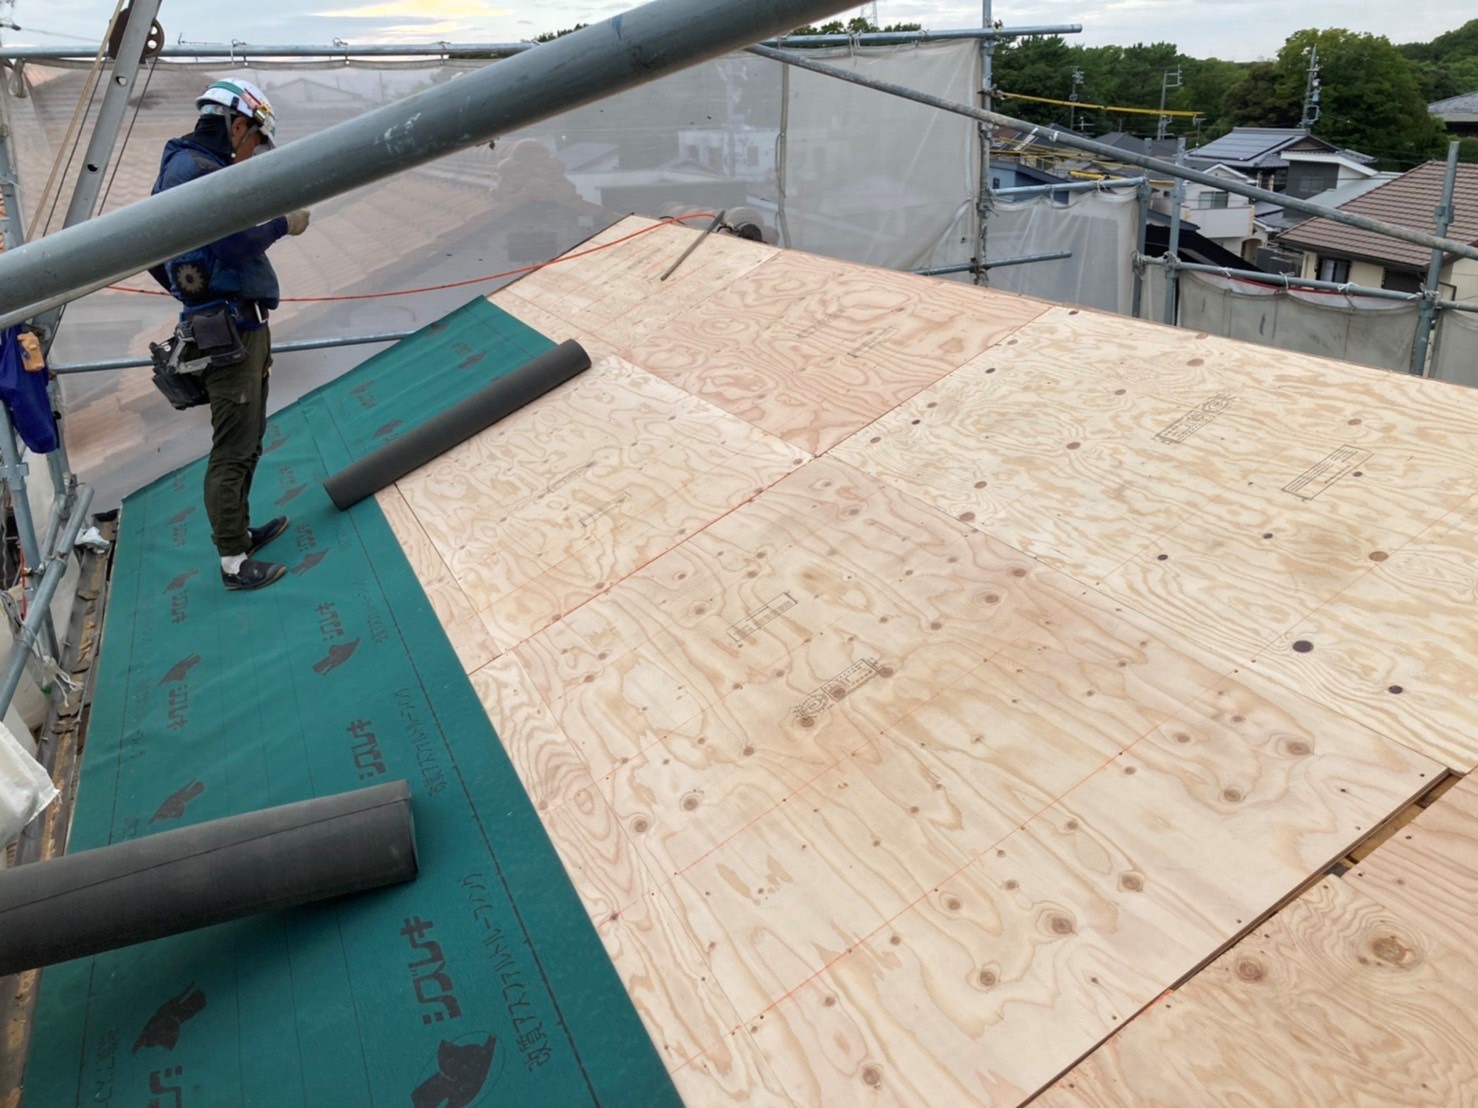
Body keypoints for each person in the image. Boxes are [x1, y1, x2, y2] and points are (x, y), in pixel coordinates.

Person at [150, 78, 311, 591]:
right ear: (237, 125)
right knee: (233, 448)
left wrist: (189, 291)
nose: (254, 152)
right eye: (255, 140)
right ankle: (233, 562)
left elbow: (155, 256)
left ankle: (238, 531)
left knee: (248, 438)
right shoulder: (199, 172)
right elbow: (238, 244)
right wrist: (286, 222)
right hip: (230, 331)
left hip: (233, 324)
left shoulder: (185, 168)